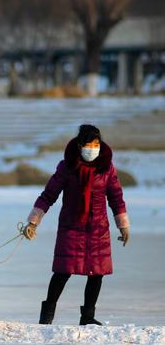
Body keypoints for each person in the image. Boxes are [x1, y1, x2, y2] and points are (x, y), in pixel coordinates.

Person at [23, 124, 130, 326]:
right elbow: (49, 195)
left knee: (97, 273)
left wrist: (122, 224)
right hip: (71, 226)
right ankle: (47, 316)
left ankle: (87, 317)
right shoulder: (67, 167)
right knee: (63, 271)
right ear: (80, 145)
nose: (93, 148)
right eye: (89, 144)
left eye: (96, 144)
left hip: (98, 229)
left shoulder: (106, 168)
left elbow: (116, 197)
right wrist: (33, 221)